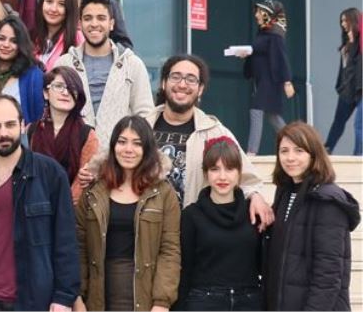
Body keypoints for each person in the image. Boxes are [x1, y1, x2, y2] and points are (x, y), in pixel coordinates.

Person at [0, 94, 79, 311]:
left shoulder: (50, 173)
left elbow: (66, 240)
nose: (3, 133)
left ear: (22, 125)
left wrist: (63, 297)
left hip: (35, 299)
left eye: (10, 124)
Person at [143, 55, 273, 229]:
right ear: (164, 83)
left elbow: (247, 178)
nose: (182, 84)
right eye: (176, 77)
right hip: (146, 231)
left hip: (190, 232)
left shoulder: (214, 132)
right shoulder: (142, 127)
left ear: (200, 89)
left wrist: (255, 196)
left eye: (191, 79)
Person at [74, 115, 180, 312]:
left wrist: (161, 302)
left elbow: (170, 250)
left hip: (145, 298)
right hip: (99, 297)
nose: (128, 149)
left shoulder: (163, 193)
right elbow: (79, 247)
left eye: (137, 143)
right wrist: (77, 296)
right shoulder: (93, 192)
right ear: (113, 146)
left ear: (147, 149)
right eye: (122, 142)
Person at [266, 121, 360, 310]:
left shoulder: (327, 200)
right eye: (284, 151)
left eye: (299, 151)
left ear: (313, 154)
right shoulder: (285, 192)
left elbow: (328, 274)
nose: (290, 158)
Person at [55, 0, 153, 155]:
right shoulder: (64, 64)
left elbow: (145, 116)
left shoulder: (132, 64)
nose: (94, 24)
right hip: (73, 157)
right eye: (88, 18)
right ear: (80, 23)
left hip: (118, 159)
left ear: (111, 24)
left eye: (101, 18)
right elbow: (54, 112)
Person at [177, 137, 263, 311]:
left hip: (249, 301)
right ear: (205, 173)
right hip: (204, 301)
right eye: (215, 169)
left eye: (229, 169)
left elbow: (264, 263)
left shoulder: (254, 212)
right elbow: (185, 269)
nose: (222, 177)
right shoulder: (191, 215)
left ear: (239, 172)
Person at [27, 66, 98, 205]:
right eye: (58, 86)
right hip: (36, 205)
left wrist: (62, 206)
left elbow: (81, 182)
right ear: (46, 93)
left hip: (72, 208)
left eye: (72, 88)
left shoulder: (87, 134)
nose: (65, 92)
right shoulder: (32, 130)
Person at [239, 0, 294, 155]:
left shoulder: (275, 35)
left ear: (267, 14)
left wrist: (287, 81)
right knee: (273, 116)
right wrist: (247, 54)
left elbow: (282, 58)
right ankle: (296, 142)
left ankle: (251, 152)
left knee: (256, 110)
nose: (256, 15)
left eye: (259, 12)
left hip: (271, 81)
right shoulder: (263, 32)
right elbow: (258, 52)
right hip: (261, 80)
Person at [0, 15, 45, 123]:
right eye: (1, 38)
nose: (6, 45)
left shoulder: (33, 76)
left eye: (14, 41)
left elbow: (38, 117)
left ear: (21, 44)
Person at [325, 7, 362, 155]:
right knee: (338, 122)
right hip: (347, 90)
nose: (343, 24)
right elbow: (345, 69)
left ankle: (358, 155)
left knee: (359, 124)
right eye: (341, 21)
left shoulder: (360, 43)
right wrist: (340, 86)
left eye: (346, 20)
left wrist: (353, 42)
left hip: (360, 88)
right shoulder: (346, 44)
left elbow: (356, 64)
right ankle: (327, 150)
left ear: (354, 20)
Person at [32, 0, 83, 71]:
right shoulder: (32, 37)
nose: (53, 9)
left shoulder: (77, 38)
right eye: (49, 1)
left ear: (69, 8)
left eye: (61, 4)